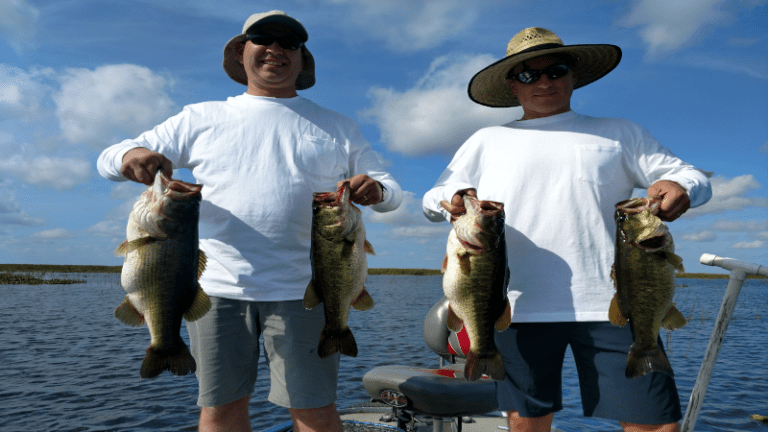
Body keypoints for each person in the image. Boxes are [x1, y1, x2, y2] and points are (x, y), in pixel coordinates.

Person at [98, 10, 402, 432]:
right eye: (263, 39)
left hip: (308, 291)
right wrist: (131, 156)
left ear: (301, 58)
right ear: (242, 52)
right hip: (215, 290)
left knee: (314, 411)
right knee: (220, 411)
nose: (276, 49)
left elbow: (390, 191)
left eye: (289, 43)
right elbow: (111, 156)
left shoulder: (338, 126)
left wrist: (379, 190)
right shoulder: (200, 117)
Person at [422, 27, 711, 432]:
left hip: (616, 303)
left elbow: (689, 175)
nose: (543, 82)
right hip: (516, 307)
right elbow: (434, 197)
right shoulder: (487, 139)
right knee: (527, 422)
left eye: (555, 70)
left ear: (572, 75)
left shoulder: (620, 133)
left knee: (656, 423)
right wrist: (449, 199)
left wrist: (684, 187)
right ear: (512, 86)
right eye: (528, 75)